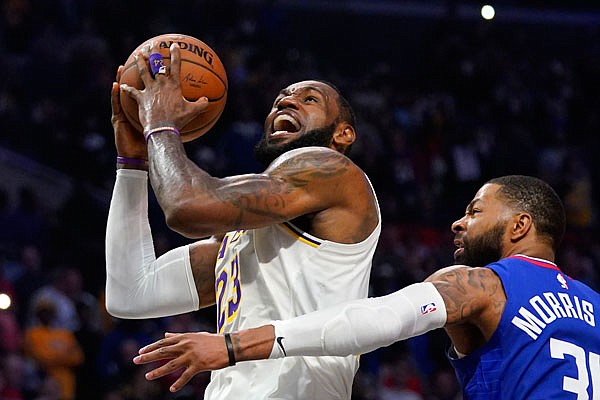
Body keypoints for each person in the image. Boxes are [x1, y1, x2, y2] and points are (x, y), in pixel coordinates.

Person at [133, 175, 600, 399]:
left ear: (519, 225)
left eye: (476, 211)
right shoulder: (595, 305)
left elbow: (378, 319)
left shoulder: (481, 284)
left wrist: (233, 345)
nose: (459, 222)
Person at [105, 41, 381, 399]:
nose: (287, 101)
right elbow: (130, 293)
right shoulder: (243, 239)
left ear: (342, 134)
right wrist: (132, 164)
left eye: (309, 99)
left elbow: (186, 207)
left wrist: (159, 123)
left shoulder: (334, 170)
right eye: (280, 98)